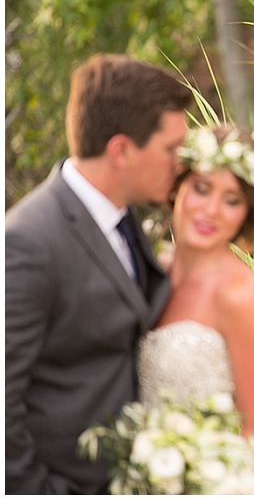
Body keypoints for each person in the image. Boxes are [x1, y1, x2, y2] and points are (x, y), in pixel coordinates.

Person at [5, 54, 193, 494]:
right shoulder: (26, 243)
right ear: (121, 150)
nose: (181, 163)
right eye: (171, 149)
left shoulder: (126, 222)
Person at [137, 124, 254, 442]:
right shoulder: (145, 269)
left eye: (231, 200)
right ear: (178, 187)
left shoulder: (240, 295)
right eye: (202, 189)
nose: (211, 210)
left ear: (246, 214)